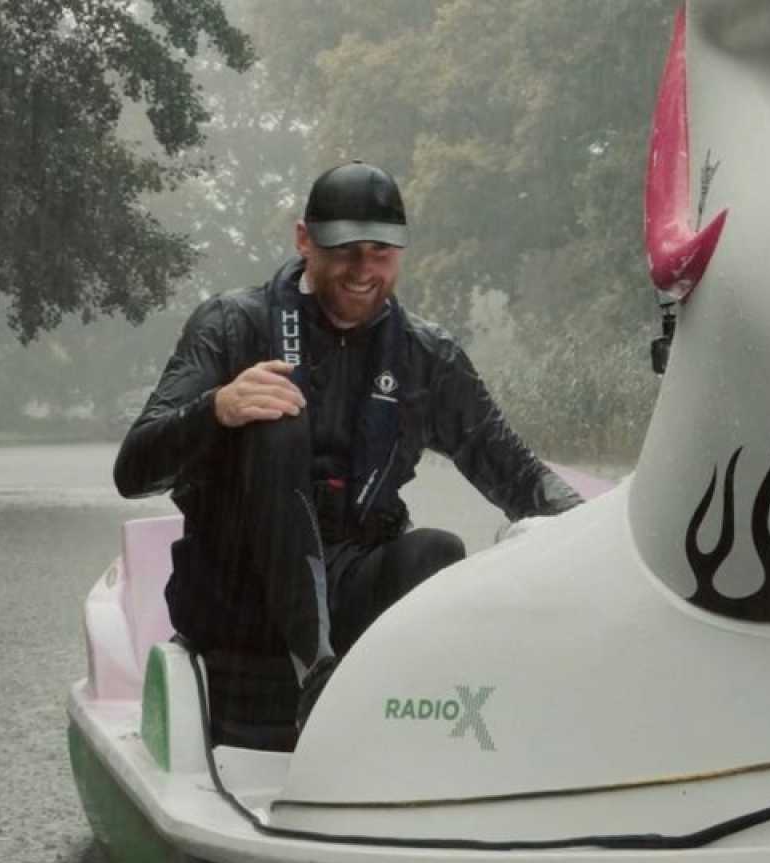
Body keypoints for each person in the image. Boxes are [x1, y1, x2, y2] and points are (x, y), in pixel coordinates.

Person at [114, 160, 581, 734]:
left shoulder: (426, 356)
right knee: (275, 412)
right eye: (345, 249)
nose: (363, 270)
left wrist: (605, 530)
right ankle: (314, 669)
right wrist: (215, 409)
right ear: (304, 240)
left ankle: (410, 730)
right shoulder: (231, 324)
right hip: (236, 594)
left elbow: (520, 476)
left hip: (349, 585)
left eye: (380, 252)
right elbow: (133, 471)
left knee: (435, 552)